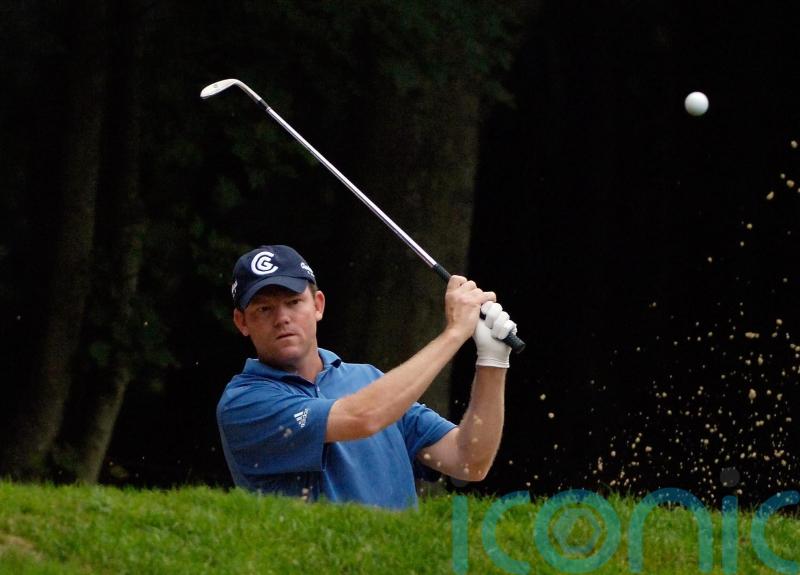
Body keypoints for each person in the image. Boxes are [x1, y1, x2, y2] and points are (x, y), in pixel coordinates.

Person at [217, 245, 517, 510]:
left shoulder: (370, 380)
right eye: (264, 309)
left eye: (294, 302)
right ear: (242, 322)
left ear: (317, 305)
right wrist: (454, 334)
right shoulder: (244, 402)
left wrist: (492, 361)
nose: (282, 317)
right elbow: (363, 417)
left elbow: (469, 460)